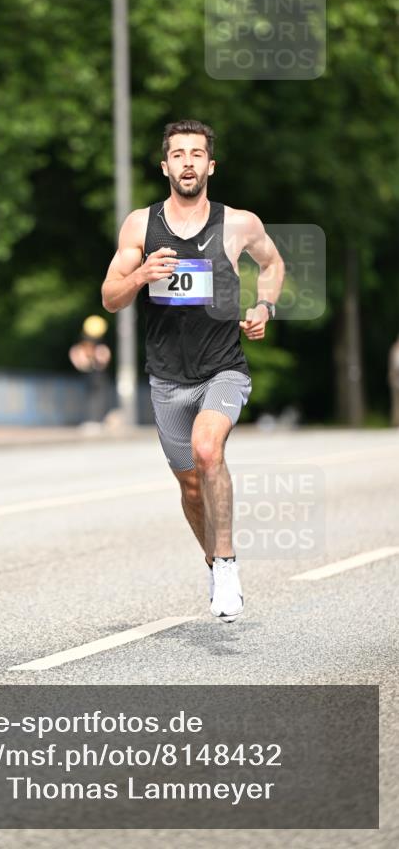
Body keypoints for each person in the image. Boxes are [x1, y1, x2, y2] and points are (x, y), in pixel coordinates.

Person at [102, 119, 285, 622]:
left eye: (196, 153)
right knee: (188, 486)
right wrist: (141, 274)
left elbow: (272, 265)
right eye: (178, 154)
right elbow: (110, 298)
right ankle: (213, 559)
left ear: (210, 165)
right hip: (166, 379)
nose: (187, 161)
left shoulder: (238, 223)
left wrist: (264, 307)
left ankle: (226, 566)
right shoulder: (141, 226)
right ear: (165, 166)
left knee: (209, 451)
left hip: (222, 368)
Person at [69, 315, 112, 426]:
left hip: (97, 374)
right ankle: (94, 420)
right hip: (92, 373)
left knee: (97, 396)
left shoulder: (100, 346)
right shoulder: (89, 345)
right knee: (93, 396)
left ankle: (96, 420)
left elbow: (103, 360)